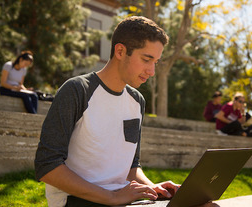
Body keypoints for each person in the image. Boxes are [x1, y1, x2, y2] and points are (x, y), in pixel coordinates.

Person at [34, 16, 218, 207]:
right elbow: (47, 166)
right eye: (147, 59)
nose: (152, 71)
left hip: (122, 200)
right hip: (77, 200)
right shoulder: (77, 90)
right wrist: (112, 197)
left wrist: (153, 189)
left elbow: (131, 167)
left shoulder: (137, 101)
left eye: (156, 62)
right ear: (120, 51)